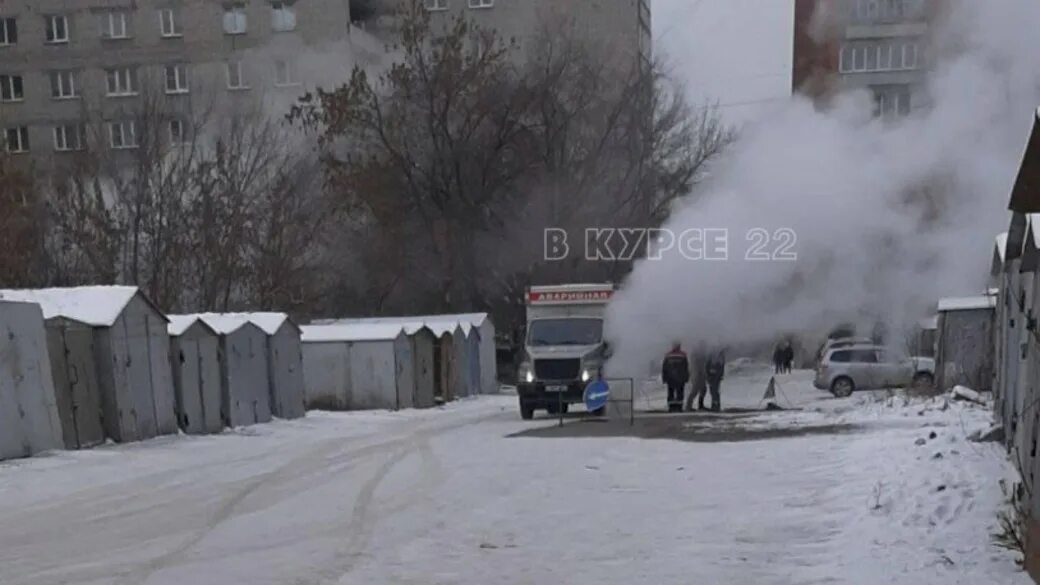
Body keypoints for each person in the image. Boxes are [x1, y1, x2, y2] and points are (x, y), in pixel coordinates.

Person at [661, 343, 690, 413]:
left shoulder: (668, 355)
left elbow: (664, 367)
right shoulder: (683, 355)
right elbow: (685, 367)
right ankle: (679, 407)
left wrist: (664, 378)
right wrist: (686, 377)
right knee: (680, 392)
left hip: (670, 378)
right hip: (680, 378)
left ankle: (671, 407)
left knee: (671, 393)